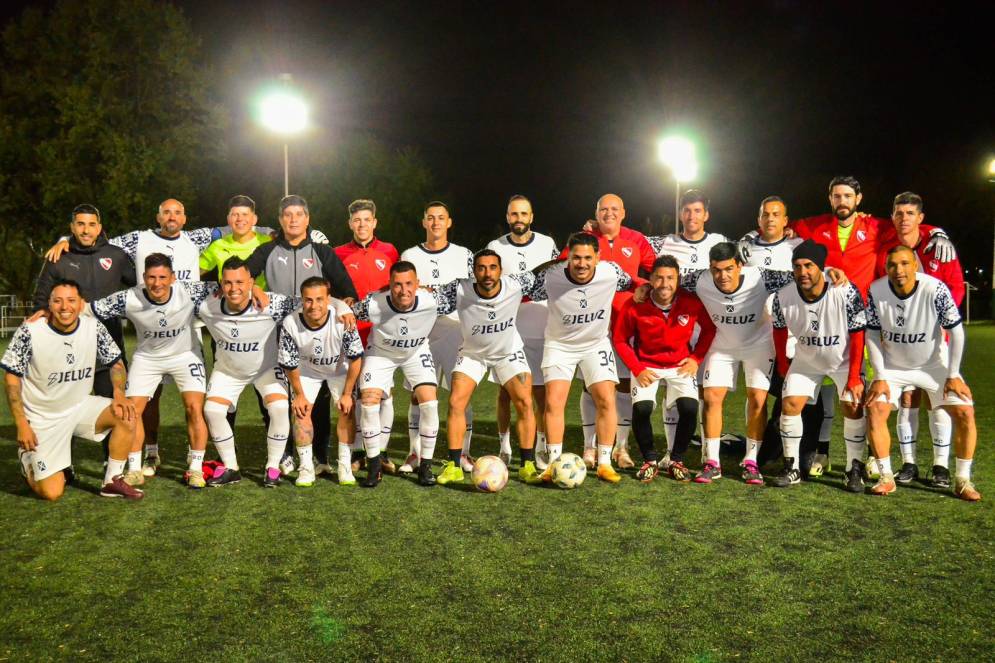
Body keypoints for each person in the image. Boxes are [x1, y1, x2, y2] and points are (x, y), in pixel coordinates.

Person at [679, 242, 848, 485]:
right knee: (712, 397)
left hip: (758, 343)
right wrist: (642, 287)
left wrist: (831, 269)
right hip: (722, 343)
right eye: (716, 270)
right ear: (710, 268)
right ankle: (711, 462)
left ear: (740, 265)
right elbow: (669, 279)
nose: (722, 276)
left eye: (728, 268)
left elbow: (797, 274)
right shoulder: (699, 279)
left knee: (757, 399)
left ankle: (751, 461)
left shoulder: (761, 277)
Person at [245, 194, 359, 475]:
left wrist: (344, 307)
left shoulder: (321, 252)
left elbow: (348, 290)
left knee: (316, 399)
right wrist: (253, 287)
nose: (293, 219)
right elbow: (240, 274)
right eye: (288, 215)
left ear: (307, 219)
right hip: (277, 333)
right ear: (281, 220)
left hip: (315, 337)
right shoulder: (267, 250)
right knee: (278, 397)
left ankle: (320, 457)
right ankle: (283, 454)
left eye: (299, 214)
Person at [2, 279, 141, 500]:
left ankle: (112, 481)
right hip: (42, 419)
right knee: (52, 492)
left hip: (79, 407)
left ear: (81, 303)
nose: (64, 307)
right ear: (49, 304)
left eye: (71, 301)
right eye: (57, 301)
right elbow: (11, 379)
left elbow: (116, 363)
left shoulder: (92, 326)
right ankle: (27, 461)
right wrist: (21, 423)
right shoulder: (30, 331)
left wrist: (119, 393)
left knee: (127, 412)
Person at [87, 253, 214, 488]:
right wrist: (48, 312)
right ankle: (134, 469)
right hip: (148, 359)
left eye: (163, 277)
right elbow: (89, 309)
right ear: (144, 277)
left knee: (195, 408)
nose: (157, 283)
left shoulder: (190, 291)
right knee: (132, 412)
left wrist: (256, 291)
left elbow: (232, 284)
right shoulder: (128, 298)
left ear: (173, 278)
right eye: (152, 277)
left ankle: (195, 469)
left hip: (185, 355)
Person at [863, 245, 979, 500]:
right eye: (892, 265)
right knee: (874, 409)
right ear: (886, 267)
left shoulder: (935, 289)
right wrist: (880, 375)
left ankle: (962, 480)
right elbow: (871, 333)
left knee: (965, 411)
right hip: (893, 367)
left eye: (905, 263)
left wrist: (953, 373)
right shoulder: (876, 290)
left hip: (933, 366)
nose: (898, 270)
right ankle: (886, 477)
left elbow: (956, 331)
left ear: (915, 264)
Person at [197, 257, 320, 487]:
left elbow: (310, 302)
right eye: (228, 283)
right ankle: (231, 467)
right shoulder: (206, 304)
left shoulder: (270, 304)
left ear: (251, 281)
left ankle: (272, 467)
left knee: (280, 407)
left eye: (241, 282)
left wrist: (342, 308)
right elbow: (174, 288)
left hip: (267, 369)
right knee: (212, 410)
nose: (234, 288)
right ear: (220, 284)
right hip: (228, 371)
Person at [533, 232, 643, 483]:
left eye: (587, 258)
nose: (581, 264)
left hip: (595, 344)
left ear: (598, 257)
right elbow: (523, 288)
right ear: (567, 257)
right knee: (554, 402)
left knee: (606, 398)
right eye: (576, 258)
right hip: (559, 345)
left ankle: (604, 463)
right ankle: (552, 464)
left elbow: (633, 282)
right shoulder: (550, 277)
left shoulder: (610, 272)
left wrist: (643, 288)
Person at [874, 192, 965, 487]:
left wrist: (941, 322)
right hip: (899, 338)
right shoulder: (886, 249)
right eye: (898, 213)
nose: (904, 219)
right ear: (892, 217)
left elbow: (955, 288)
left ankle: (940, 466)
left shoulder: (939, 248)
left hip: (934, 336)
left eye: (910, 213)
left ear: (920, 218)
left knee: (936, 400)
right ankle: (908, 463)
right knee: (906, 397)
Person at [432, 250, 544, 486]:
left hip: (508, 351)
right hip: (473, 354)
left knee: (524, 402)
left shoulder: (516, 284)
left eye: (493, 267)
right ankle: (453, 466)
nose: (487, 273)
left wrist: (565, 256)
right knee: (455, 402)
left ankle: (527, 465)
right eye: (481, 268)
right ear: (474, 271)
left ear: (500, 270)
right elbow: (430, 300)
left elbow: (542, 275)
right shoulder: (459, 289)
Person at [768, 240, 868, 491]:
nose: (803, 272)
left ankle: (853, 468)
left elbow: (858, 333)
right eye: (798, 266)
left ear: (821, 268)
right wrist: (782, 361)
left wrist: (855, 375)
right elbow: (779, 330)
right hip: (807, 360)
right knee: (790, 404)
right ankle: (791, 467)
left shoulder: (844, 290)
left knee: (853, 405)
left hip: (842, 361)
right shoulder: (783, 296)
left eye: (809, 266)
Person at [570, 193, 656, 470]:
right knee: (590, 385)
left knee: (624, 385)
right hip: (591, 325)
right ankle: (589, 447)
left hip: (625, 325)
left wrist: (642, 284)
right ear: (596, 213)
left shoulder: (637, 240)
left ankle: (621, 446)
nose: (609, 213)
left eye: (614, 209)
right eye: (603, 209)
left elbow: (654, 271)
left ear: (623, 212)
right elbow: (566, 265)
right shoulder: (585, 238)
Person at [350, 261, 453, 487]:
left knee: (430, 403)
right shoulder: (374, 305)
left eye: (409, 284)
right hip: (381, 354)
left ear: (417, 284)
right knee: (368, 401)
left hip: (416, 352)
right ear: (390, 285)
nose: (403, 290)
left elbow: (464, 292)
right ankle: (374, 465)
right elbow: (350, 312)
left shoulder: (432, 300)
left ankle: (425, 466)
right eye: (397, 285)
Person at [613, 255, 713, 483]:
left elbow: (708, 330)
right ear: (650, 279)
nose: (664, 283)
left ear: (678, 280)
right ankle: (650, 460)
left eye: (670, 278)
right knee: (642, 409)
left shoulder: (691, 302)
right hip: (647, 365)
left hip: (680, 365)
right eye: (659, 278)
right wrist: (637, 369)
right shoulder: (636, 303)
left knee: (689, 408)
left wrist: (696, 358)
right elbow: (620, 340)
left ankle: (676, 460)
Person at [647, 190, 730, 462]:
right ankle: (671, 454)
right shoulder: (664, 243)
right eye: (687, 210)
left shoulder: (720, 241)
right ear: (680, 213)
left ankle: (709, 454)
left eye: (697, 211)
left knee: (709, 393)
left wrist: (789, 234)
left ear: (706, 214)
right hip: (678, 327)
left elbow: (748, 260)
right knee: (673, 391)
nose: (692, 216)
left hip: (712, 327)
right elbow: (633, 248)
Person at [32, 204, 135, 402]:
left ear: (99, 227)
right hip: (69, 349)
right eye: (80, 224)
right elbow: (41, 301)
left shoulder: (116, 255)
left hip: (109, 347)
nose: (86, 230)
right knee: (66, 408)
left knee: (115, 404)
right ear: (72, 227)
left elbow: (141, 286)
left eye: (91, 225)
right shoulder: (58, 257)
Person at [399, 202, 474, 473]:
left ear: (449, 222)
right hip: (423, 334)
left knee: (461, 394)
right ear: (424, 222)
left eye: (441, 218)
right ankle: (414, 453)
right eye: (430, 218)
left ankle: (464, 453)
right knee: (419, 395)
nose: (435, 223)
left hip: (457, 331)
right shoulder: (410, 254)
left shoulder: (464, 254)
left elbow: (474, 290)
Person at [485, 195, 558, 466]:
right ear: (507, 217)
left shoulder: (547, 244)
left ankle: (539, 446)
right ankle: (504, 446)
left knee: (539, 393)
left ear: (531, 217)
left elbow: (555, 277)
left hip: (540, 326)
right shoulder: (495, 246)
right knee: (506, 393)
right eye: (514, 214)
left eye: (524, 214)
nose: (519, 219)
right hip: (507, 331)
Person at [334, 199, 399, 476]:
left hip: (384, 333)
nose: (362, 225)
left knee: (385, 395)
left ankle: (381, 451)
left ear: (375, 222)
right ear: (350, 223)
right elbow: (332, 291)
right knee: (360, 395)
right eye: (356, 220)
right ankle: (362, 451)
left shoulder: (390, 251)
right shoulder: (338, 254)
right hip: (352, 333)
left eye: (366, 220)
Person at [279, 277, 364, 486]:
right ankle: (306, 468)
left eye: (319, 299)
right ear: (302, 300)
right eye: (308, 300)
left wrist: (347, 393)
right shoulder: (291, 322)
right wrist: (299, 395)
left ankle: (344, 466)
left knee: (347, 409)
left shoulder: (344, 320)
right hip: (307, 372)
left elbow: (355, 359)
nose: (314, 306)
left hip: (339, 370)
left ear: (329, 300)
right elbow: (289, 364)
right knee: (301, 412)